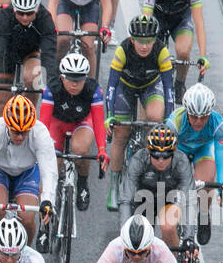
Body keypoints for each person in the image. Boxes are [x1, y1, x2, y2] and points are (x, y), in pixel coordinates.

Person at [103, 14, 174, 209]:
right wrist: (109, 116)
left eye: (149, 41)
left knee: (154, 119)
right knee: (120, 135)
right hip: (125, 88)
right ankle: (114, 186)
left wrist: (169, 118)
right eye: (140, 42)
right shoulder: (122, 50)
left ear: (155, 39)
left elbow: (169, 89)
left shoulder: (161, 51)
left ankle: (148, 163)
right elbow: (111, 86)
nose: (144, 46)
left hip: (150, 87)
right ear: (132, 39)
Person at [0, 93, 56, 244]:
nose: (20, 136)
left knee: (28, 217)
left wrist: (48, 200)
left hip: (27, 172)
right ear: (7, 126)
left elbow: (49, 171)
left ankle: (24, 255)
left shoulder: (40, 133)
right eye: (16, 131)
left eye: (25, 132)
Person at [38, 50, 106, 211]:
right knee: (52, 165)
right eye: (70, 79)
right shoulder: (52, 89)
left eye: (79, 79)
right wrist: (39, 150)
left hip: (81, 122)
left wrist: (102, 150)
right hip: (57, 123)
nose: (75, 84)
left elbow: (98, 123)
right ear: (62, 77)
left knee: (80, 150)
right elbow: (43, 125)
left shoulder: (93, 89)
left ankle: (82, 181)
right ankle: (44, 226)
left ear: (86, 78)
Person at [141, 0, 208, 104]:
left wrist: (203, 56)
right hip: (158, 20)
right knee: (151, 50)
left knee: (183, 51)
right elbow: (146, 20)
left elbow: (199, 23)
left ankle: (179, 83)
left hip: (180, 20)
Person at [0, 0, 58, 117]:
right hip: (7, 54)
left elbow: (49, 53)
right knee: (1, 103)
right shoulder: (5, 18)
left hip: (31, 51)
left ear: (36, 9)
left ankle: (29, 113)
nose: (24, 17)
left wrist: (51, 83)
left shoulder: (45, 18)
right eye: (20, 12)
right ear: (13, 9)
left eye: (29, 13)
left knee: (34, 79)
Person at [169, 82, 223, 244]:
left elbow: (222, 160)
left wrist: (222, 187)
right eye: (194, 116)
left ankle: (203, 214)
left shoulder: (218, 123)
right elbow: (165, 153)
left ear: (210, 113)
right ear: (187, 112)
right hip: (179, 148)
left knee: (206, 183)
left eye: (204, 117)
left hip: (204, 149)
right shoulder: (175, 121)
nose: (199, 122)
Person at [117, 123, 190, 248]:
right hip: (144, 201)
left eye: (166, 156)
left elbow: (189, 199)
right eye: (156, 156)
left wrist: (189, 238)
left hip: (169, 200)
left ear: (173, 153)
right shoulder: (138, 160)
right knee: (139, 238)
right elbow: (126, 199)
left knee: (168, 226)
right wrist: (124, 233)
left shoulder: (181, 161)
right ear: (149, 152)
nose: (161, 161)